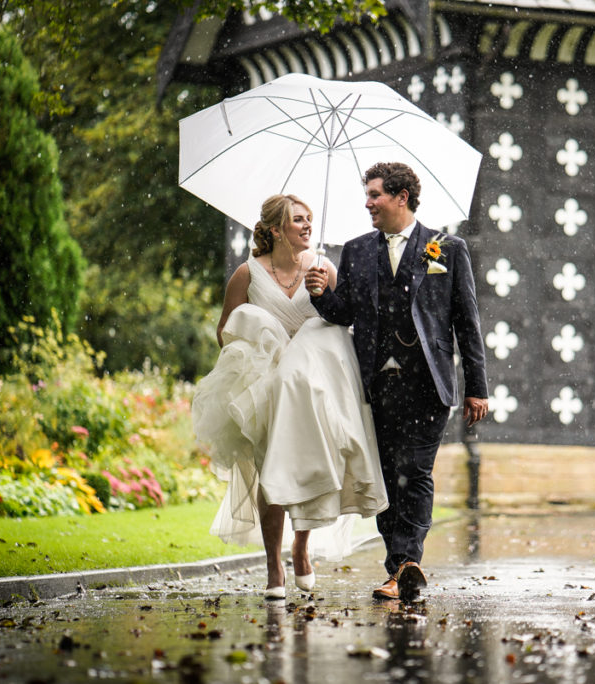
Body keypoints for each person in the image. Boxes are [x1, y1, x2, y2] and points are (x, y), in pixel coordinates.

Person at [305, 162, 489, 601]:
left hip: (429, 383)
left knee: (417, 472)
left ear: (401, 197)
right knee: (386, 479)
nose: (367, 204)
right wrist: (319, 295)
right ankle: (401, 566)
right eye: (367, 196)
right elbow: (345, 313)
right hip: (377, 386)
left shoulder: (447, 248)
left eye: (374, 195)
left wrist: (477, 386)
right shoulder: (356, 250)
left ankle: (405, 564)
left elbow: (467, 321)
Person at [191, 194, 388, 600]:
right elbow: (225, 329)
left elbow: (344, 315)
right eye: (298, 220)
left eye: (309, 219)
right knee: (270, 473)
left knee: (311, 464)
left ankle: (301, 546)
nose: (306, 226)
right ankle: (272, 566)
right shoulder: (247, 275)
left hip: (312, 388)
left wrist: (323, 294)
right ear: (276, 229)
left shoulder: (323, 267)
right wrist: (263, 341)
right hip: (266, 386)